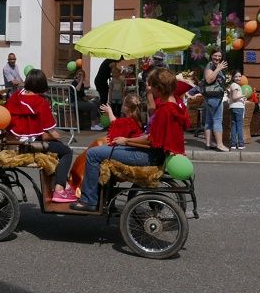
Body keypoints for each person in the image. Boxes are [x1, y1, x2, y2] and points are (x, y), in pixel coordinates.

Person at [70, 68, 189, 212]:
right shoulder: (175, 104)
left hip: (148, 156)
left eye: (151, 85)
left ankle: (89, 200)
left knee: (93, 154)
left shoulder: (165, 111)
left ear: (160, 88)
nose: (149, 88)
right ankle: (103, 196)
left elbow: (152, 140)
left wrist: (126, 141)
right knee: (107, 148)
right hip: (157, 154)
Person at [4, 69, 75, 203]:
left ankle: (62, 183)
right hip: (29, 144)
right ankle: (60, 189)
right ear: (41, 85)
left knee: (57, 146)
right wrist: (59, 136)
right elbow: (51, 131)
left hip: (15, 140)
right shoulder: (39, 102)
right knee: (66, 151)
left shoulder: (17, 95)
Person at [202, 49, 230, 152]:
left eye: (219, 56)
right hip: (214, 97)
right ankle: (220, 144)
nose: (217, 58)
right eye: (215, 56)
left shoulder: (214, 66)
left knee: (209, 120)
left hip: (211, 97)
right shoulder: (210, 66)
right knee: (217, 120)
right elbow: (209, 79)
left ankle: (208, 143)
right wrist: (218, 69)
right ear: (211, 56)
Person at [227, 71, 247, 150]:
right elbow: (234, 97)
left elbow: (231, 97)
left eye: (239, 76)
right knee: (239, 126)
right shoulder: (235, 85)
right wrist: (243, 95)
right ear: (233, 77)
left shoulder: (232, 85)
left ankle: (233, 144)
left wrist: (241, 98)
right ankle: (241, 144)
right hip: (238, 107)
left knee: (234, 125)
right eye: (236, 76)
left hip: (233, 107)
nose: (238, 78)